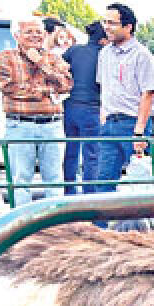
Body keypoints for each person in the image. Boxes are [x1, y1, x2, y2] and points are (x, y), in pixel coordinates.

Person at [0, 17, 73, 207]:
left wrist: (40, 63)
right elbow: (9, 88)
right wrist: (46, 91)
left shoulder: (53, 58)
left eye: (39, 32)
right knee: (20, 179)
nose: (35, 35)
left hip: (52, 124)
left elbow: (66, 84)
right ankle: (22, 229)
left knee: (54, 178)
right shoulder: (5, 57)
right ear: (16, 35)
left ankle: (54, 226)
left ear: (45, 34)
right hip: (19, 124)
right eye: (29, 31)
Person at [95, 3, 154, 193]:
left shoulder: (142, 55)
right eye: (104, 22)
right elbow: (103, 86)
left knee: (139, 181)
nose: (106, 27)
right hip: (110, 123)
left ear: (128, 27)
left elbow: (148, 93)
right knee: (104, 179)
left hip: (133, 123)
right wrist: (103, 115)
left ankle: (141, 223)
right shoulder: (104, 53)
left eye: (112, 23)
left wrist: (139, 131)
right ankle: (102, 223)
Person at [61, 19, 106, 195]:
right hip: (92, 108)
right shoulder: (105, 54)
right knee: (92, 154)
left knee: (71, 150)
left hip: (70, 107)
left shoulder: (74, 50)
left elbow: (61, 68)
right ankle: (89, 194)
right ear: (104, 39)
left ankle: (69, 191)